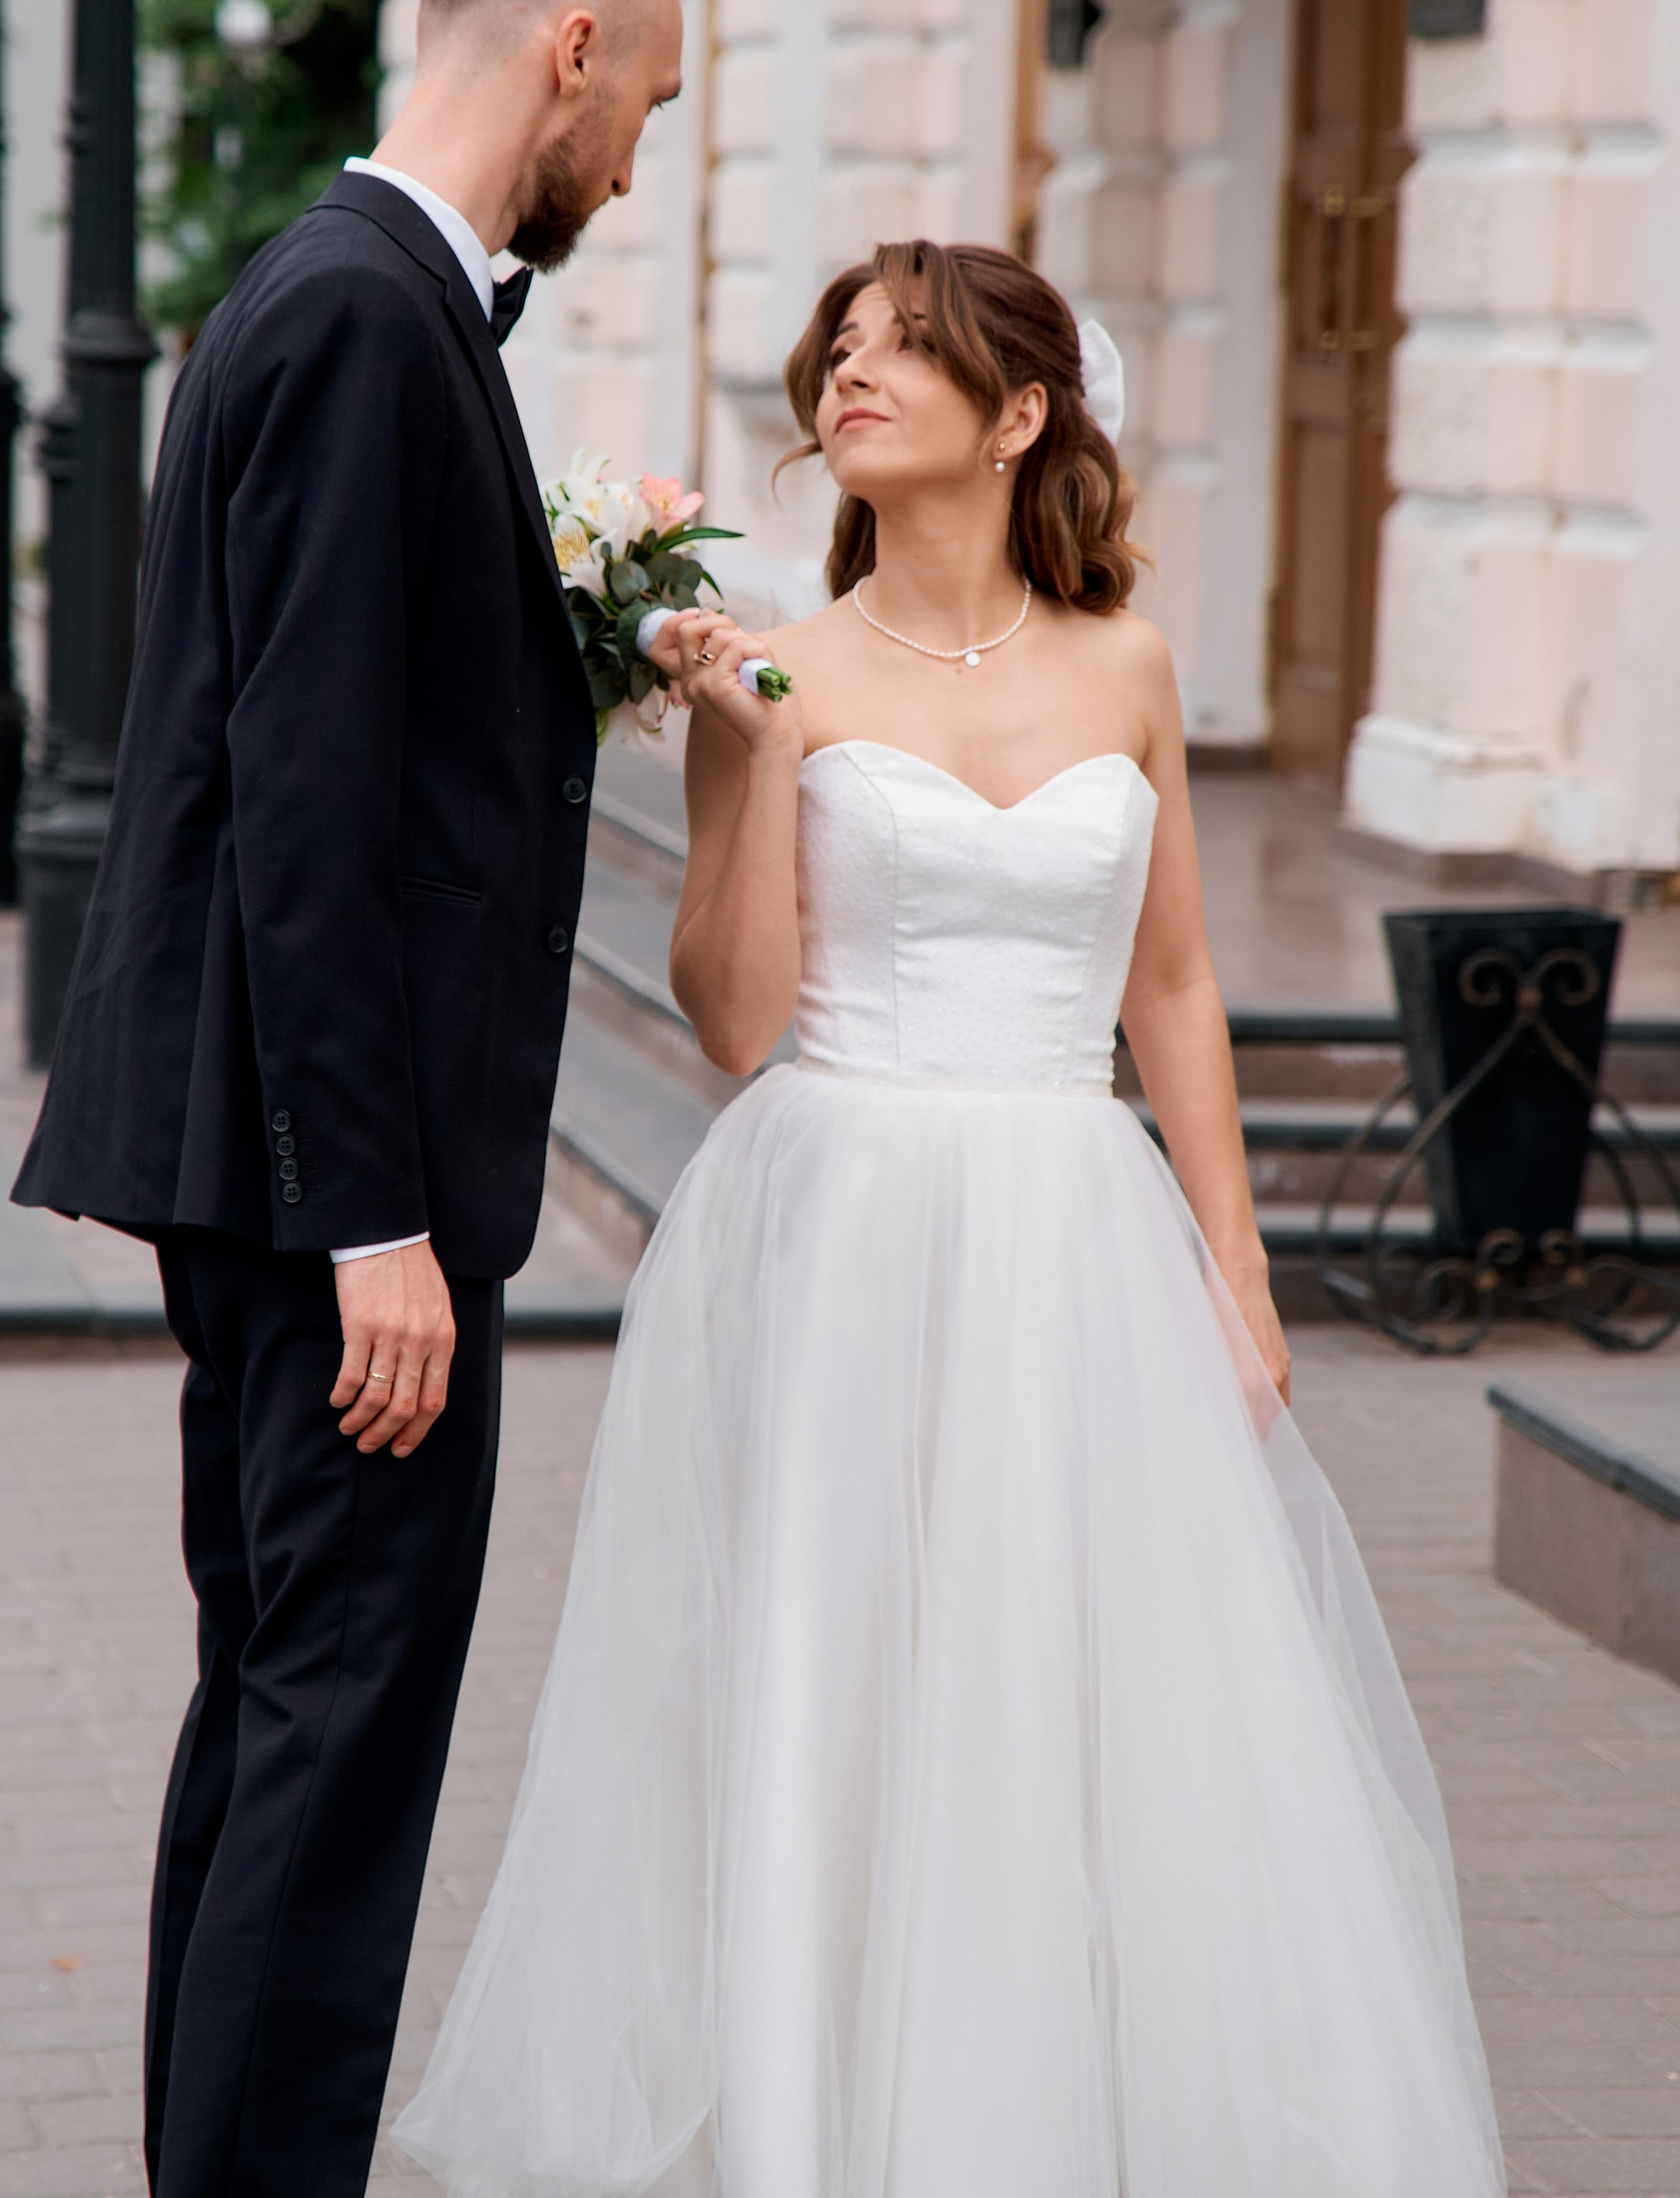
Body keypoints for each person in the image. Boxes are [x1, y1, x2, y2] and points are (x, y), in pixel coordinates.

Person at [397, 241, 1504, 2198]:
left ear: (1014, 416)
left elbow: (1165, 985)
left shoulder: (1128, 666)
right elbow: (733, 1019)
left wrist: (1235, 1275)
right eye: (838, 345)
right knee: (841, 1678)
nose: (850, 370)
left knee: (1075, 1680)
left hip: (1074, 1231)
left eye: (901, 347)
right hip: (835, 1212)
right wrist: (759, 740)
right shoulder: (776, 657)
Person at [12, 0, 683, 2198]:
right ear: (569, 46)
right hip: (341, 1198)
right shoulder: (354, 313)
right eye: (649, 107)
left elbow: (369, 728)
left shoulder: (343, 302)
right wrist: (374, 1222)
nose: (636, 158)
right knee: (332, 1745)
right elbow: (290, 808)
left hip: (311, 1173)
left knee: (280, 1723)